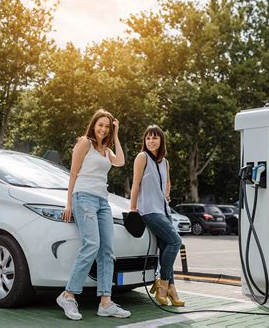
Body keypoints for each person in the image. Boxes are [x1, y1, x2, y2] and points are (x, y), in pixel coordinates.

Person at [56, 109, 131, 320]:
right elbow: (73, 172)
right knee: (92, 244)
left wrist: (116, 135)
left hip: (102, 201)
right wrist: (68, 203)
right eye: (101, 125)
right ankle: (68, 295)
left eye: (107, 127)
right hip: (83, 197)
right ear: (93, 125)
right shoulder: (84, 143)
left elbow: (121, 162)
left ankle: (105, 302)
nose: (103, 129)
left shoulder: (107, 150)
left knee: (107, 250)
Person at [129, 125, 185, 307]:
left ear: (161, 140)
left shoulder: (165, 162)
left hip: (164, 210)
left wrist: (166, 194)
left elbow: (167, 182)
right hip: (148, 210)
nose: (151, 141)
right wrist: (132, 208)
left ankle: (170, 288)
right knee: (175, 242)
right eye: (148, 138)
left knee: (166, 249)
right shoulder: (142, 157)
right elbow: (135, 184)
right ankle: (163, 283)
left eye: (155, 138)